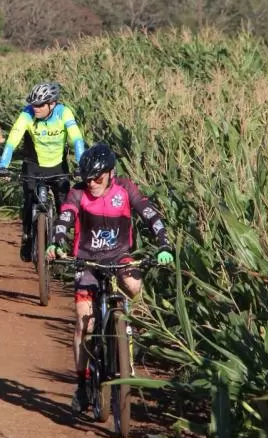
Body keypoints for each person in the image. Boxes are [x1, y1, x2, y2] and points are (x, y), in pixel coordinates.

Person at [47, 143, 174, 414]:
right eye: (87, 178)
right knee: (85, 322)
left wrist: (164, 244)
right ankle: (82, 385)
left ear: (110, 173)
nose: (91, 183)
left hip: (120, 258)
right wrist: (56, 241)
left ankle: (134, 332)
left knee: (134, 285)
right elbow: (65, 217)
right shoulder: (78, 193)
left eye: (97, 177)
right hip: (87, 260)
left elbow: (150, 214)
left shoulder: (126, 189)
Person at [0, 82, 85, 263]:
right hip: (33, 165)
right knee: (29, 200)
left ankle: (61, 245)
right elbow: (13, 139)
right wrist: (3, 165)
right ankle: (28, 236)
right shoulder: (27, 113)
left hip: (58, 166)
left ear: (52, 104)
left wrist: (81, 165)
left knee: (65, 205)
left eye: (39, 105)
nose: (35, 108)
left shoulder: (63, 112)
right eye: (33, 104)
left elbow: (77, 139)